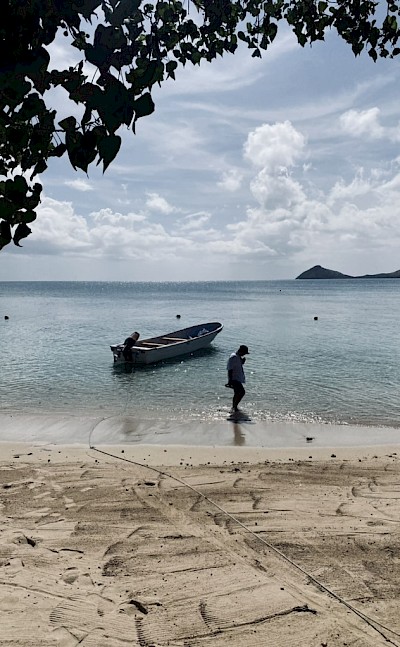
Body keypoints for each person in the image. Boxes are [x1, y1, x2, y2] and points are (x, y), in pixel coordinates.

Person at [226, 345, 249, 412]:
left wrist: (242, 362)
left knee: (237, 393)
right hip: (234, 379)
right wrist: (230, 380)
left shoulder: (237, 357)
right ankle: (235, 407)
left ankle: (234, 407)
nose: (244, 354)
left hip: (236, 378)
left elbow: (237, 366)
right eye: (244, 352)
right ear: (241, 351)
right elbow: (230, 369)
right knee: (242, 392)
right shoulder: (234, 357)